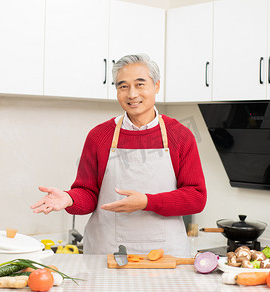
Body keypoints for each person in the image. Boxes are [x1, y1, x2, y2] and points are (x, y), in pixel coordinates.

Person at [31, 54, 207, 257]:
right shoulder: (99, 136)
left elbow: (196, 197)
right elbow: (88, 193)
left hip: (165, 255)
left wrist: (147, 202)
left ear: (156, 86)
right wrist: (69, 198)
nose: (132, 94)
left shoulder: (180, 135)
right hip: (107, 252)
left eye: (140, 84)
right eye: (123, 86)